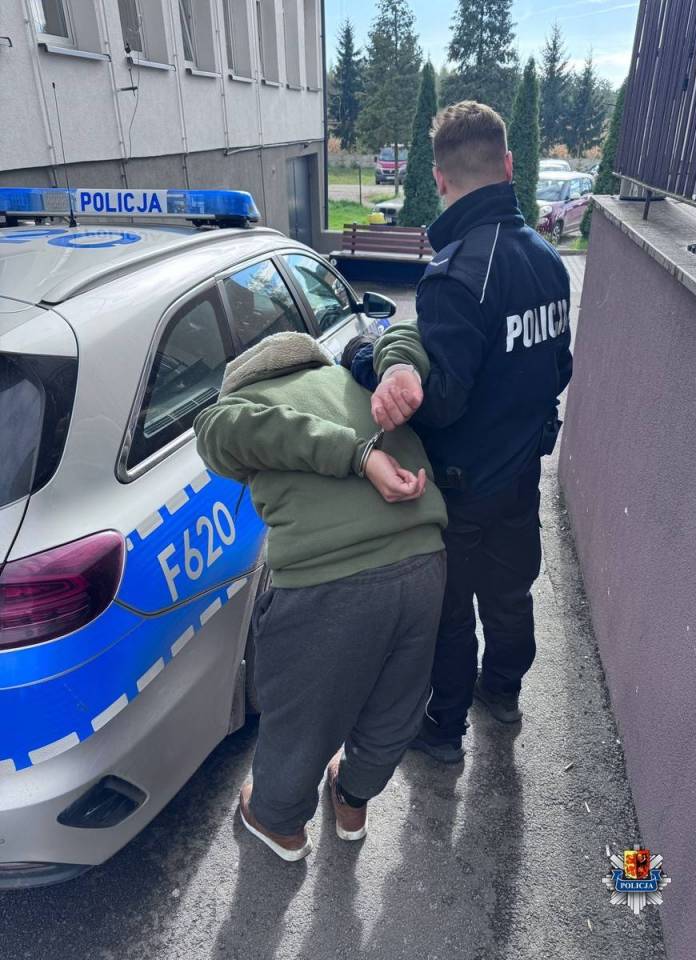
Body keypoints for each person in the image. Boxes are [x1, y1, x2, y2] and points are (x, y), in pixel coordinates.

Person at [352, 101, 573, 763]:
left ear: (439, 179)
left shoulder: (454, 276)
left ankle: (443, 731)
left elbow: (439, 404)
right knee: (510, 599)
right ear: (508, 164)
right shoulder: (549, 260)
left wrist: (370, 360)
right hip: (521, 478)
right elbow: (559, 366)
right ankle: (502, 694)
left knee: (450, 618)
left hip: (461, 490)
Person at [194, 331, 447, 861]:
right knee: (394, 705)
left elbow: (221, 433)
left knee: (300, 717)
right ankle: (352, 801)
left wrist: (357, 456)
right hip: (424, 561)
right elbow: (406, 335)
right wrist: (400, 367)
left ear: (241, 380)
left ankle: (277, 821)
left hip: (326, 581)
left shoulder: (236, 409)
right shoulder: (353, 377)